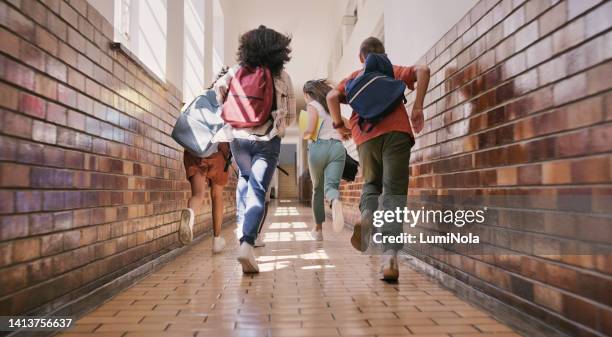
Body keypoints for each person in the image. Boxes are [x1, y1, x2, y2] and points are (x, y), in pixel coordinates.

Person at [326, 37, 430, 281]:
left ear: (362, 58)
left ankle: (367, 216)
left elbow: (331, 96)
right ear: (382, 55)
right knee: (394, 191)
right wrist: (418, 107)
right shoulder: (391, 70)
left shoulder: (354, 77)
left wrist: (338, 124)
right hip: (397, 133)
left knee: (372, 184)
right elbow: (423, 70)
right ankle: (390, 257)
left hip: (365, 136)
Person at [214, 25, 296, 273]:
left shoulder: (237, 71)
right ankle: (247, 243)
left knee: (245, 180)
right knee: (258, 190)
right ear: (278, 50)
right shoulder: (282, 76)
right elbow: (290, 116)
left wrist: (231, 115)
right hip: (267, 139)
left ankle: (242, 228)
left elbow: (218, 91)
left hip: (238, 138)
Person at [179, 68, 232, 254]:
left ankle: (190, 214)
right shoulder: (229, 103)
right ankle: (216, 240)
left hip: (194, 149)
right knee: (217, 196)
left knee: (198, 195)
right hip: (217, 154)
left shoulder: (202, 96)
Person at [302, 79, 346, 241]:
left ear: (307, 94)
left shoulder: (312, 105)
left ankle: (318, 230)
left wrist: (305, 133)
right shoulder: (331, 105)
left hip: (318, 148)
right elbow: (345, 126)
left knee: (317, 189)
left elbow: (310, 129)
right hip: (337, 147)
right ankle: (334, 200)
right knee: (331, 186)